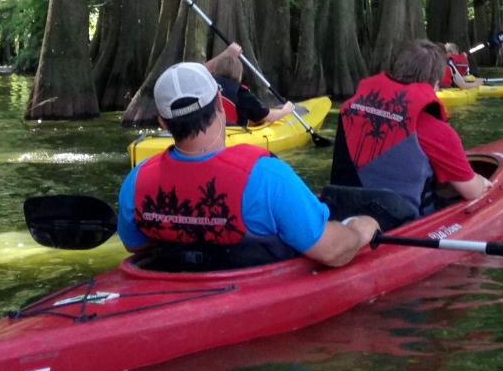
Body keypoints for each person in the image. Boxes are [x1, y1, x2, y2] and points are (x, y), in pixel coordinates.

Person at [118, 62, 378, 268]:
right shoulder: (266, 176)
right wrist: (360, 228)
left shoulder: (136, 181)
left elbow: (135, 245)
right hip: (249, 289)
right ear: (220, 103)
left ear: (163, 122)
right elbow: (332, 252)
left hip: (176, 286)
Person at [332, 38, 490, 217]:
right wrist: (483, 182)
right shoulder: (437, 130)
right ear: (436, 82)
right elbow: (473, 191)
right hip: (398, 225)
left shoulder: (350, 109)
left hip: (341, 210)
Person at [205, 44, 295, 128]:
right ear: (239, 75)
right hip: (233, 132)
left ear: (216, 70)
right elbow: (269, 117)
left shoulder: (206, 83)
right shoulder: (242, 94)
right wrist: (285, 110)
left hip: (209, 129)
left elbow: (201, 69)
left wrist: (226, 53)